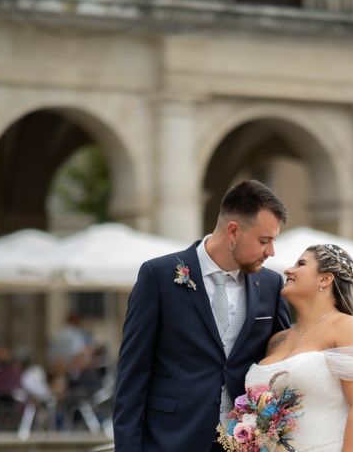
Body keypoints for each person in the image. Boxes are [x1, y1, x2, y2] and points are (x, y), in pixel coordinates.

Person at [113, 179, 291, 452]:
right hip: (171, 441)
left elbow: (282, 365)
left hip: (244, 444)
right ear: (233, 231)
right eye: (264, 240)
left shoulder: (271, 285)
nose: (271, 251)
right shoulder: (158, 277)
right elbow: (132, 375)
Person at [244, 244, 353, 452]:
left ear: (324, 279)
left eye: (301, 264)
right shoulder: (277, 340)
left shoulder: (349, 328)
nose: (289, 270)